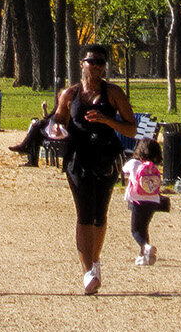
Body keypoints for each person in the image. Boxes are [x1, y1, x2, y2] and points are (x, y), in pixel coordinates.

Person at [52, 46, 140, 294]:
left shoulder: (113, 93)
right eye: (93, 62)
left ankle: (95, 260)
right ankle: (87, 270)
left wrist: (108, 121)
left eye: (102, 63)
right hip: (78, 159)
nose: (98, 67)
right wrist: (57, 128)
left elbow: (131, 129)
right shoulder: (70, 93)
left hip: (106, 158)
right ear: (82, 63)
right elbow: (59, 118)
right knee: (83, 214)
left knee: (99, 215)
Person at [124, 139, 168, 267]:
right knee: (144, 227)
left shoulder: (134, 163)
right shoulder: (154, 166)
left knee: (136, 230)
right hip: (153, 201)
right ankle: (143, 256)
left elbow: (124, 169)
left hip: (137, 200)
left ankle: (145, 247)